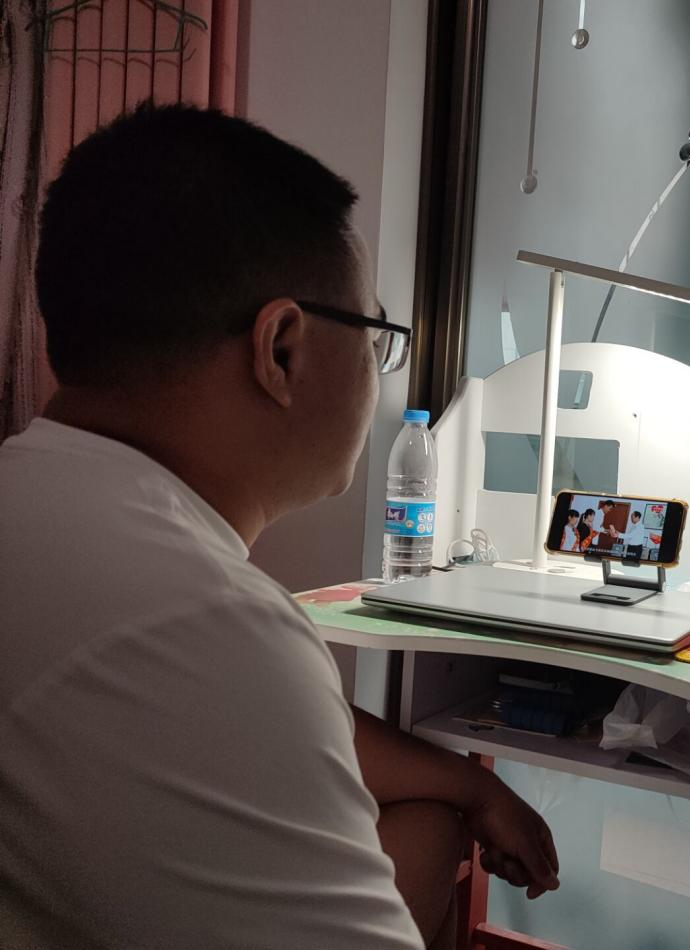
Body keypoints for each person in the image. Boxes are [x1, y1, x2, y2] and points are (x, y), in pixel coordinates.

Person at [0, 105, 557, 950]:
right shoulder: (202, 619)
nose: (378, 372)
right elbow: (213, 674)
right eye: (376, 336)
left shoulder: (41, 502)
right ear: (282, 349)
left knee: (426, 823)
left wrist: (470, 785)